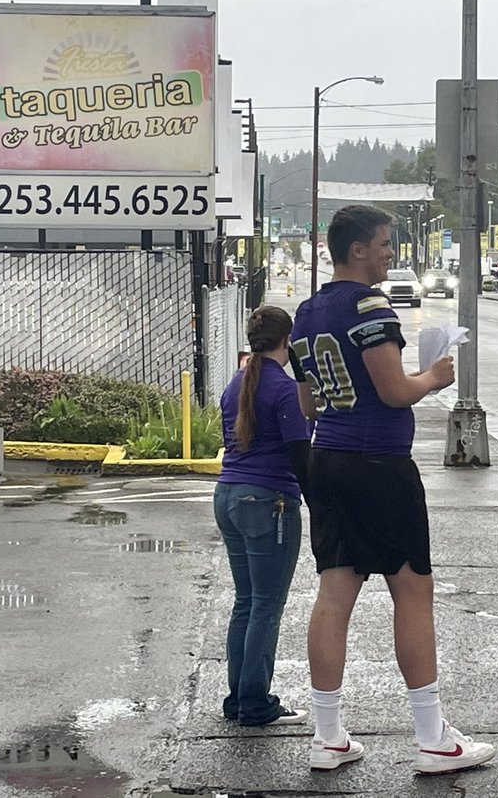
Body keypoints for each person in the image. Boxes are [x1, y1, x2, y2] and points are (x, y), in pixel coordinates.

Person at [290, 204, 496, 775]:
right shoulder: (369, 305)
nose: (389, 253)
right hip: (378, 462)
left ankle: (327, 735)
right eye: (383, 244)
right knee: (412, 590)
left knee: (334, 596)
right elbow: (393, 390)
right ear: (358, 248)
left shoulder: (306, 311)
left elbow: (307, 402)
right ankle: (432, 736)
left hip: (326, 456)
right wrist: (434, 377)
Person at [214, 305, 316, 727]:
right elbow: (300, 455)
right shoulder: (283, 389)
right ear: (286, 341)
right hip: (269, 501)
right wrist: (322, 504)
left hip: (229, 496)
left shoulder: (236, 384)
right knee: (266, 605)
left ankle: (238, 697)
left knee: (246, 601)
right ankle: (256, 703)